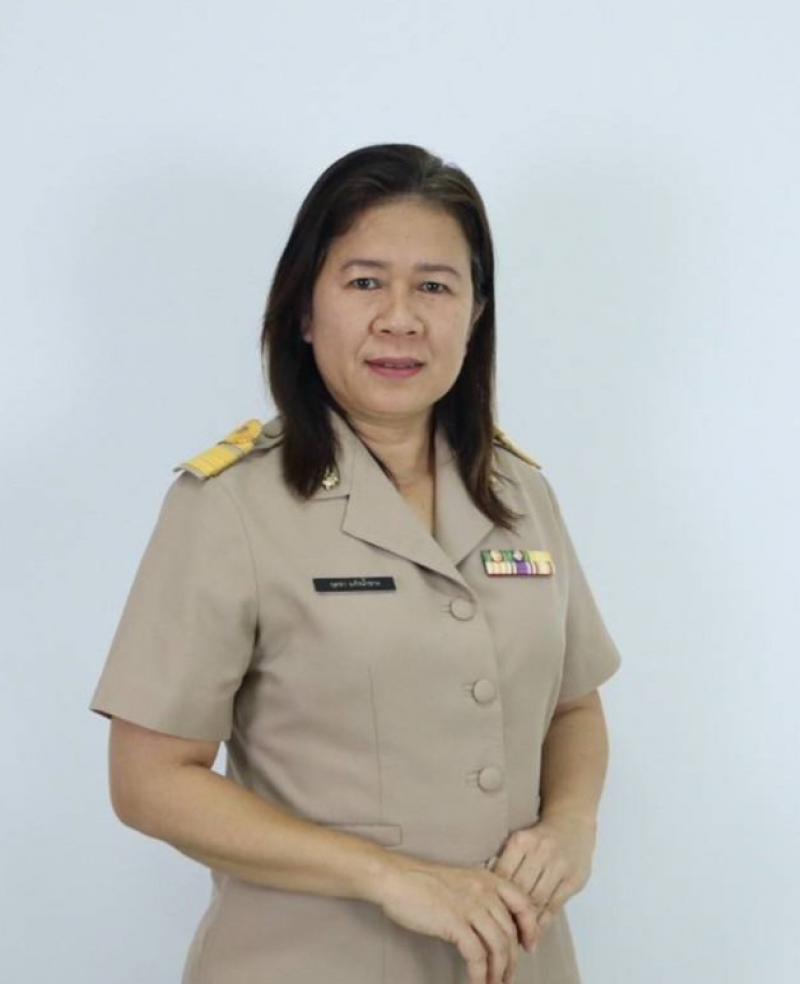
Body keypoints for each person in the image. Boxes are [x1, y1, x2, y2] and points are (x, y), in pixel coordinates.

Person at [88, 142, 622, 984]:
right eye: (366, 282)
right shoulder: (229, 505)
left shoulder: (519, 494)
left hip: (519, 960)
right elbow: (149, 780)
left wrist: (572, 827)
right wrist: (387, 877)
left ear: (476, 313)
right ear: (305, 310)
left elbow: (575, 707)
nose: (400, 319)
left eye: (435, 287)